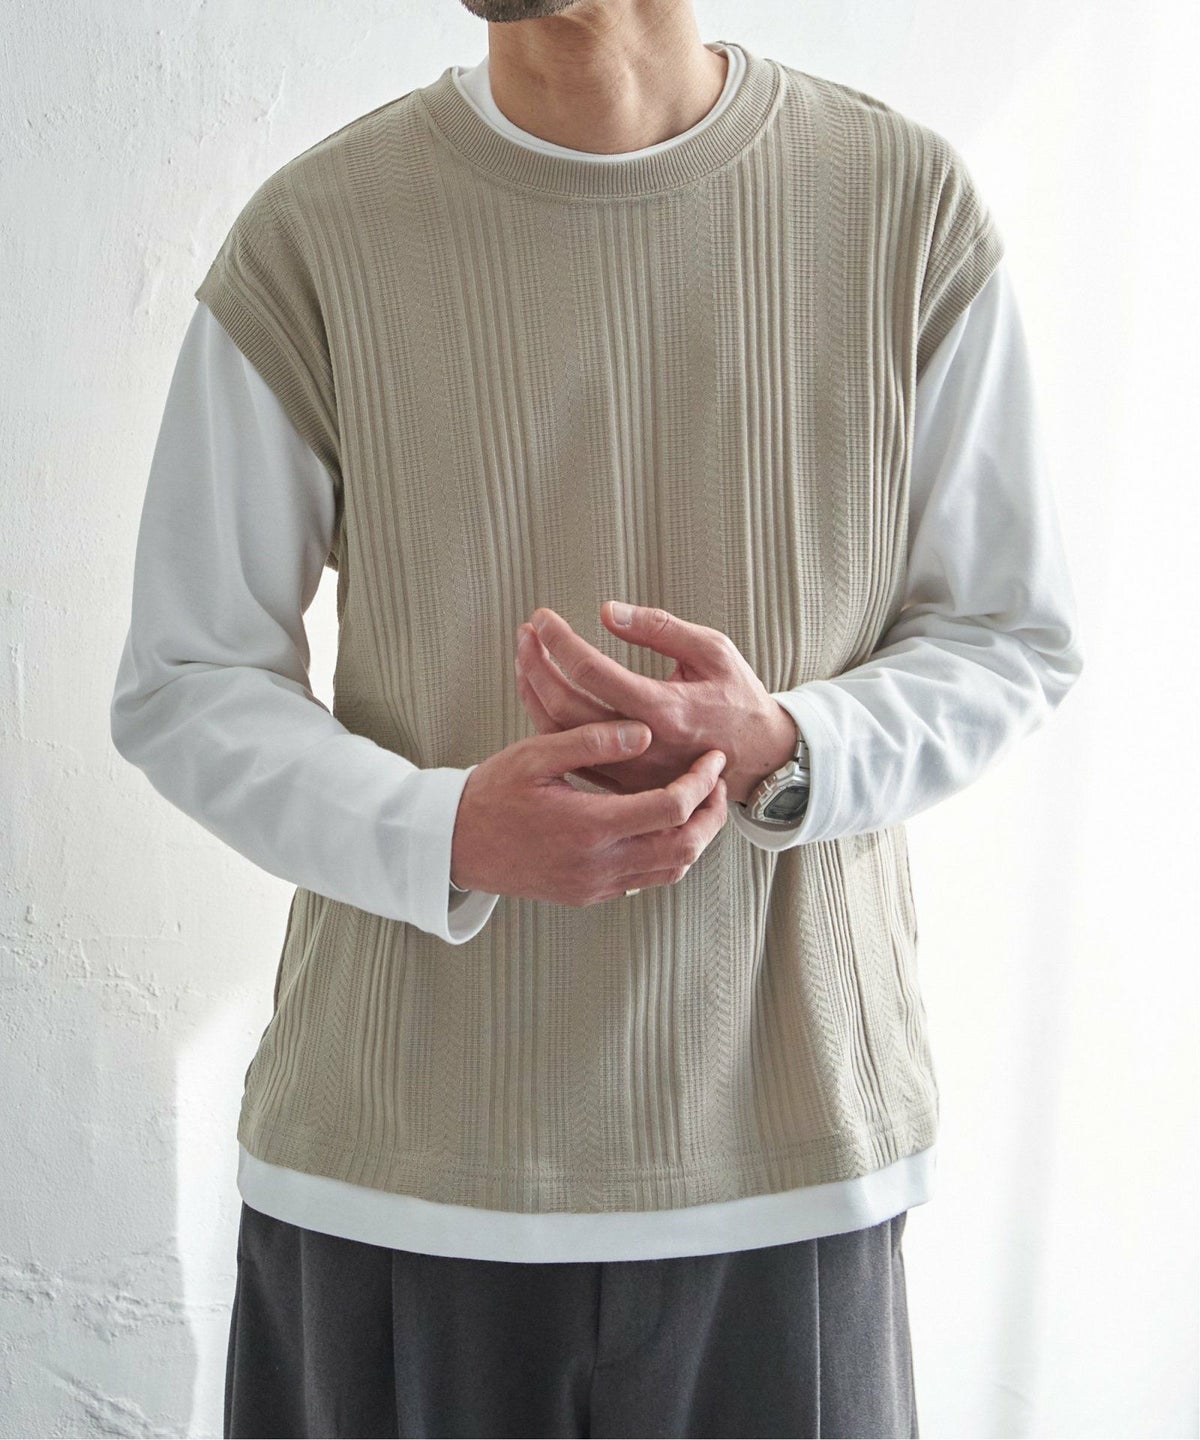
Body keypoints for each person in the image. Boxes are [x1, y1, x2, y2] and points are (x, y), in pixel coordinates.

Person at [109, 1, 1085, 1435]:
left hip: (785, 1166)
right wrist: (446, 831)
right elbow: (187, 681)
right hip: (394, 1178)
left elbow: (1008, 634)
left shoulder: (903, 207)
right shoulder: (318, 232)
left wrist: (787, 748)